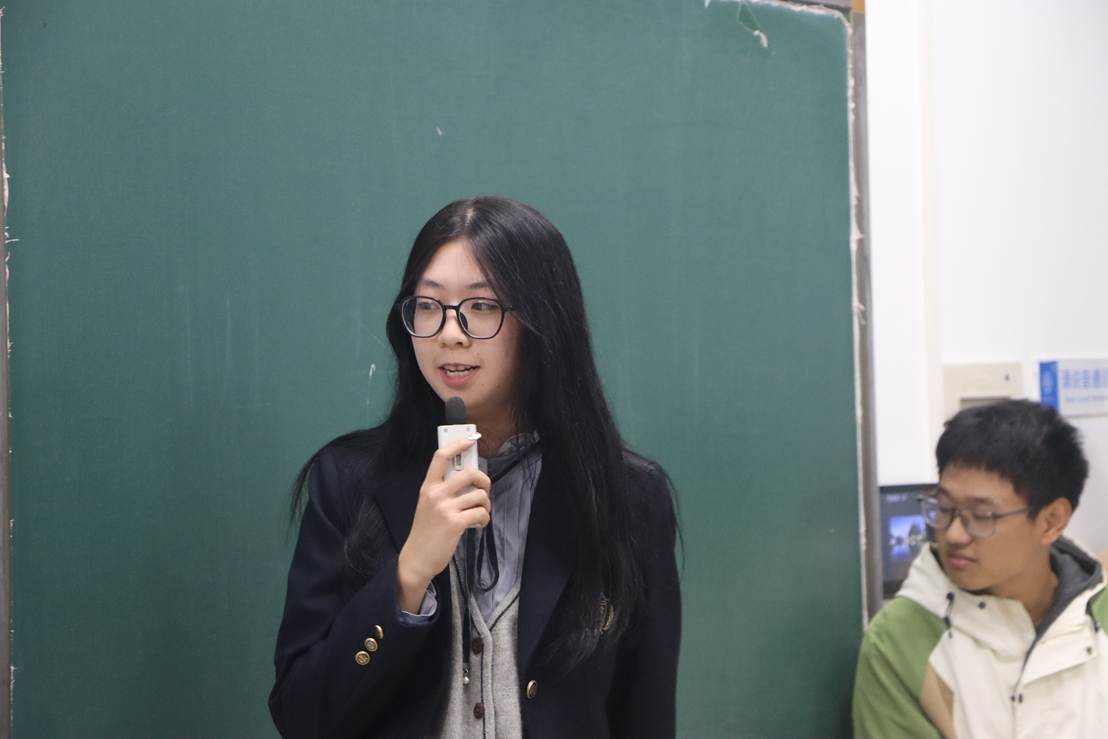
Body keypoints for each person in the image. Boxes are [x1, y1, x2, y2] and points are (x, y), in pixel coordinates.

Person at [269, 196, 681, 738]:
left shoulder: (628, 497)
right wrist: (409, 574)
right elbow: (301, 716)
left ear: (542, 321)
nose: (450, 333)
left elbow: (646, 716)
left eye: (482, 306)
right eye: (428, 305)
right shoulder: (348, 480)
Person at [853, 399, 1108, 738]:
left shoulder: (1099, 616)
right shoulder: (900, 640)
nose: (954, 534)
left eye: (983, 515)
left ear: (1051, 521)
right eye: (944, 507)